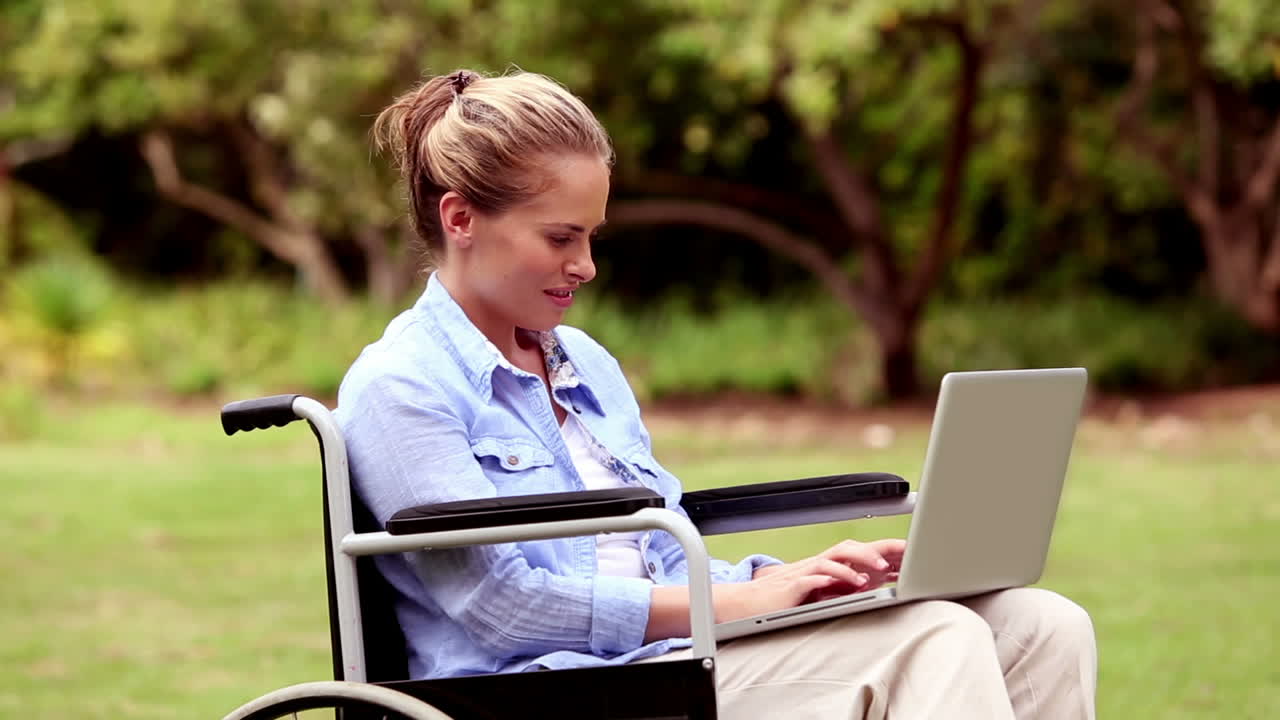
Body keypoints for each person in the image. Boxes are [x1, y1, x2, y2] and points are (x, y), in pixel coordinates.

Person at [335, 68, 1098, 720]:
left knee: (1041, 624)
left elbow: (663, 552)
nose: (586, 266)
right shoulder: (398, 386)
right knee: (938, 637)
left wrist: (791, 581)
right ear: (461, 217)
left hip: (675, 654)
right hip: (546, 691)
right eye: (561, 238)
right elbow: (501, 609)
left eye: (593, 238)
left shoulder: (584, 364)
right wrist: (735, 605)